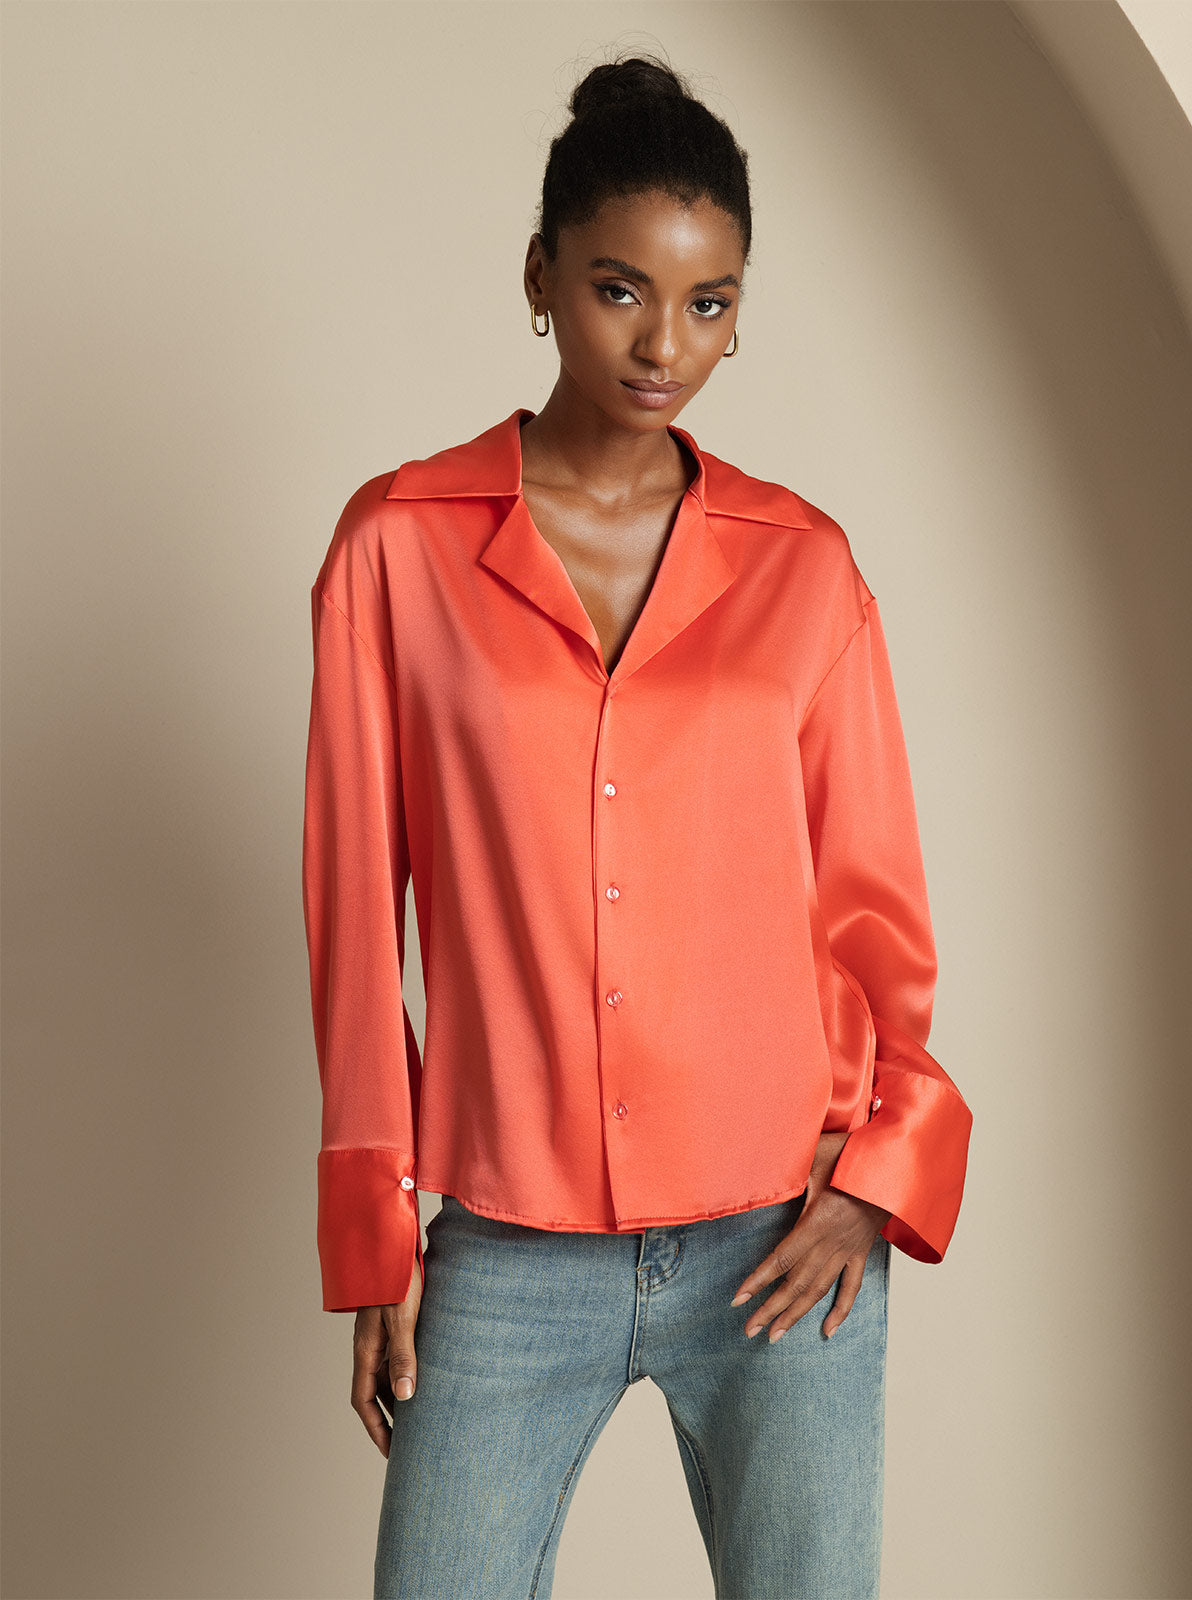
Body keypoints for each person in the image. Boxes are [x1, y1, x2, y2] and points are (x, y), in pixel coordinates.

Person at [302, 50, 973, 1600]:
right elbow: (352, 918)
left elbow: (875, 905)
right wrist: (376, 1230)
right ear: (540, 276)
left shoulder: (804, 567)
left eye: (709, 303)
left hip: (781, 1235)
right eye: (620, 291)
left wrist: (880, 1173)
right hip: (508, 1247)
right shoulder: (397, 549)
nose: (666, 345)